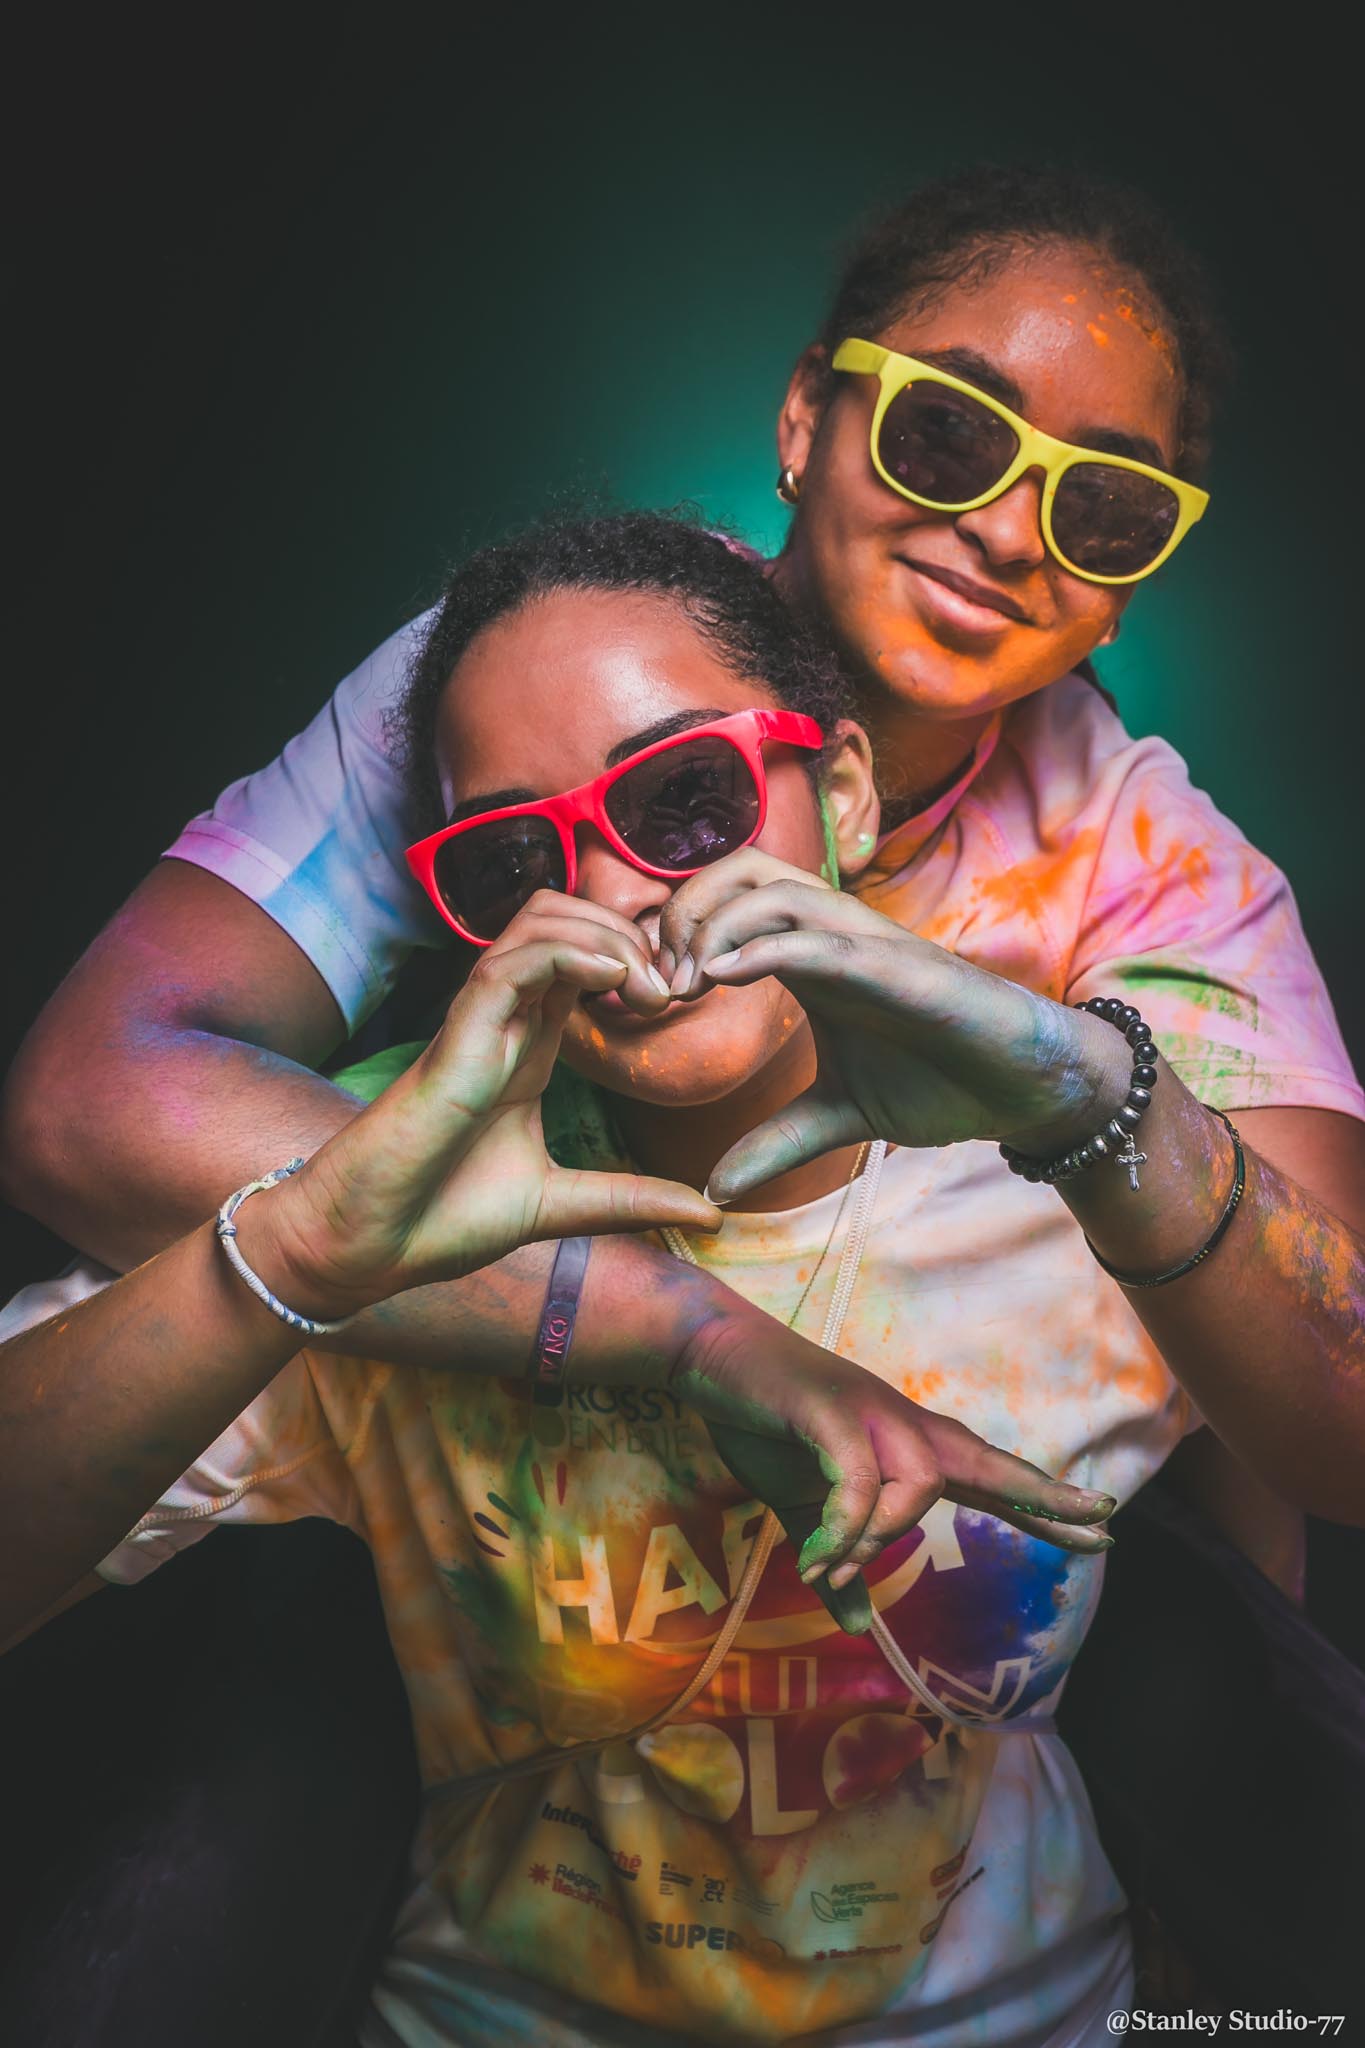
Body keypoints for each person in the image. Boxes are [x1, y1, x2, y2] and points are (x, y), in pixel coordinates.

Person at [3, 166, 1360, 1595]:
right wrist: (649, 1319)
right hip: (484, 1508)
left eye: (1106, 509)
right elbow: (84, 1106)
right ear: (804, 417)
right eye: (949, 432)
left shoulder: (1154, 864)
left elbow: (1315, 1407)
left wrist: (1098, 1110)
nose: (1011, 534)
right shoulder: (523, 668)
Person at [2, 517, 1149, 2045]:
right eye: (512, 860)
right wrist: (307, 1250)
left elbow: (1290, 1504)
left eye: (684, 799)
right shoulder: (395, 1197)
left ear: (841, 793)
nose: (613, 892)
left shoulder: (1060, 1163)